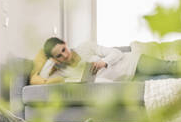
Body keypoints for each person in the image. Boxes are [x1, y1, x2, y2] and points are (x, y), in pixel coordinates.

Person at [30, 37, 181, 85]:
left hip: (134, 62)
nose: (65, 56)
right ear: (54, 59)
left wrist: (104, 62)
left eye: (63, 49)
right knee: (169, 82)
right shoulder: (64, 72)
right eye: (59, 56)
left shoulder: (85, 47)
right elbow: (43, 81)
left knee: (172, 68)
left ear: (65, 43)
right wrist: (46, 58)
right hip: (131, 79)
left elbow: (117, 53)